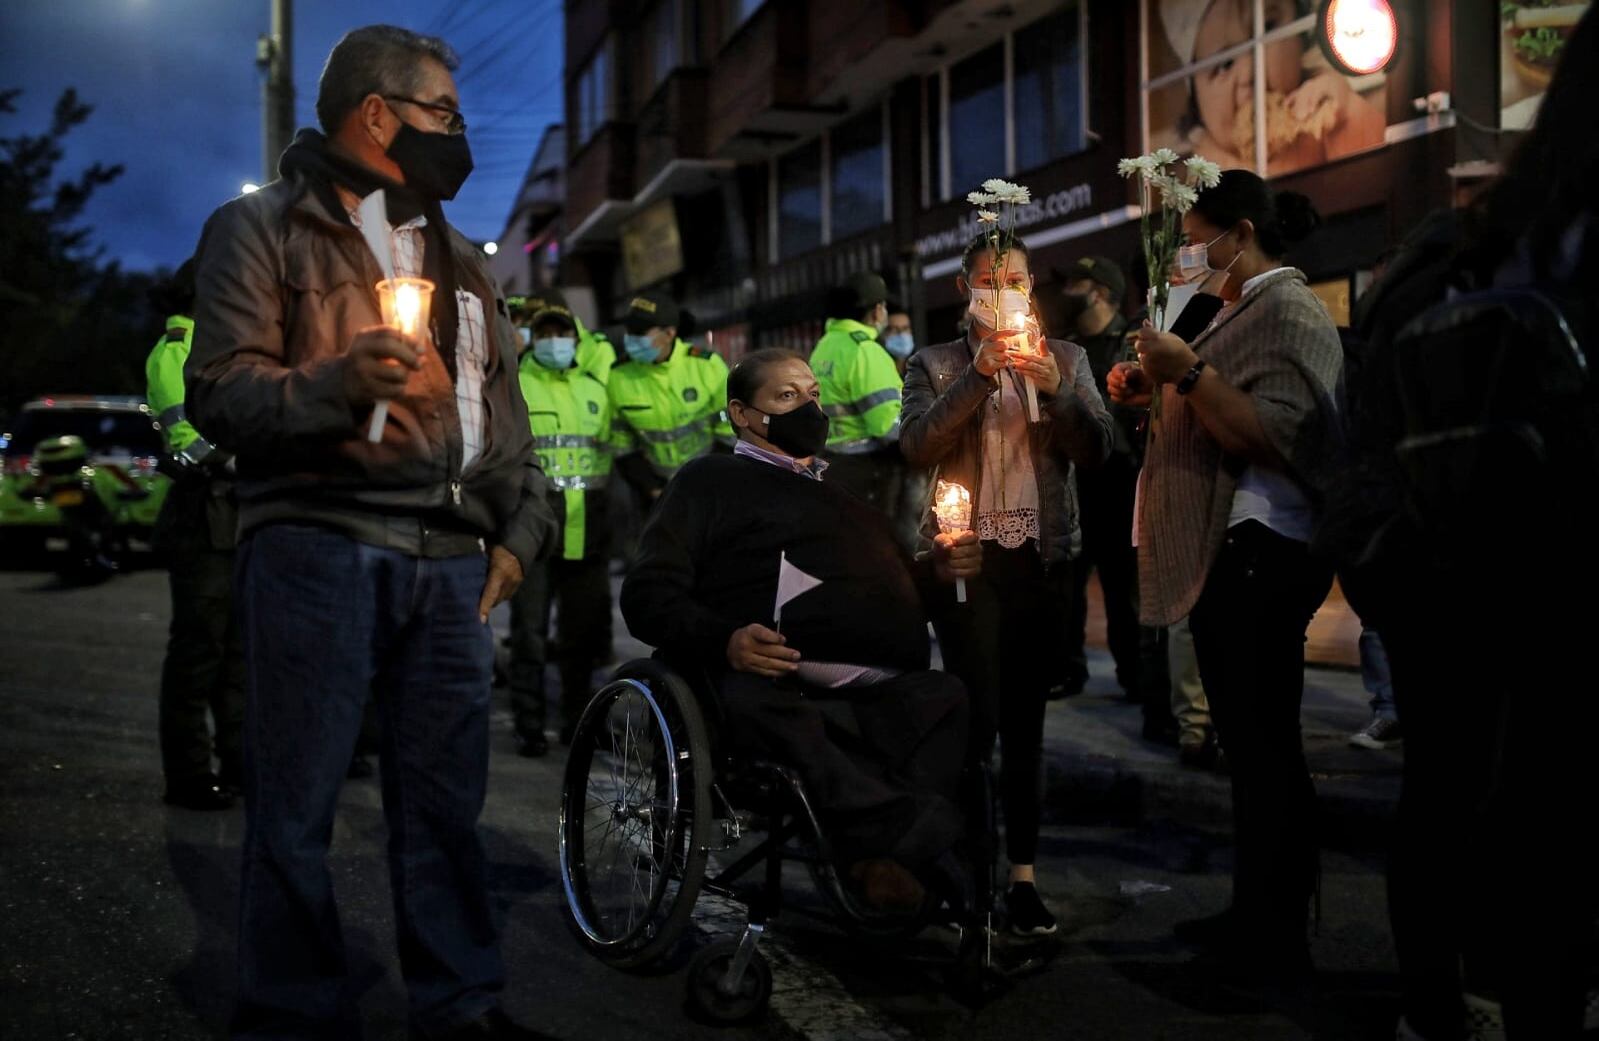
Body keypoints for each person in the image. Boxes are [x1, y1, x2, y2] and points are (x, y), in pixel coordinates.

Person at [185, 25, 558, 1041]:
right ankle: (293, 1009)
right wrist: (335, 384)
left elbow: (507, 423)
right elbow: (218, 393)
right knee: (297, 804)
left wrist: (519, 535)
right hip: (318, 543)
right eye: (446, 113)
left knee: (443, 809)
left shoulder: (466, 265)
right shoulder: (262, 229)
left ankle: (460, 1003)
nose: (460, 134)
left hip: (450, 563)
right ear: (379, 113)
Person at [1325, 9, 1599, 1036]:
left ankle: (1442, 1005)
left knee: (1457, 800)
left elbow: (1365, 444)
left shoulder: (1455, 257)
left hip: (1451, 594)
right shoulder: (1523, 256)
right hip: (1514, 602)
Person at [620, 349, 980, 909]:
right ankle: (900, 844)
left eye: (812, 394)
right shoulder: (709, 481)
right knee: (770, 708)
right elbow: (647, 595)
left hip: (866, 684)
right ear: (741, 413)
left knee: (944, 697)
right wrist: (726, 639)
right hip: (763, 679)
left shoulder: (841, 497)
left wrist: (934, 575)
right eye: (787, 397)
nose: (809, 407)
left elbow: (891, 593)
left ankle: (882, 852)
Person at [1109, 169, 1342, 982]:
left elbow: (1281, 437)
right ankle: (1254, 916)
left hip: (1264, 550)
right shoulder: (1236, 308)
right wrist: (1154, 389)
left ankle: (1275, 943)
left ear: (1239, 233)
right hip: (1228, 550)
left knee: (1266, 747)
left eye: (1192, 236)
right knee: (1249, 750)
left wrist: (1187, 375)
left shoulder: (1287, 308)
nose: (1183, 254)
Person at [902, 232, 1114, 937]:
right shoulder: (933, 362)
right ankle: (965, 864)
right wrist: (978, 376)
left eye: (1016, 278)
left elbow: (1101, 450)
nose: (1004, 289)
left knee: (1026, 721)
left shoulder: (1070, 358)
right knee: (976, 715)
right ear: (965, 287)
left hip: (1041, 559)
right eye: (990, 278)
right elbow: (917, 446)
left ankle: (1021, 876)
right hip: (965, 561)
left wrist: (1056, 391)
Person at [145, 260, 244, 812]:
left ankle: (238, 764)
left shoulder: (216, 352)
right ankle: (187, 776)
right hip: (202, 519)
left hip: (233, 519)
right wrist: (248, 460)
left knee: (237, 654)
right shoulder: (174, 354)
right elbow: (188, 444)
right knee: (197, 654)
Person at [507, 300, 614, 756]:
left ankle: (578, 722)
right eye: (545, 334)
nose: (555, 342)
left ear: (576, 340)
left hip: (588, 532)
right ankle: (529, 725)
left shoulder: (596, 389)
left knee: (581, 638)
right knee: (529, 633)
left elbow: (610, 454)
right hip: (535, 528)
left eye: (562, 334)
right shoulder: (516, 384)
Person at [1156, 0, 1386, 177]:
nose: (1250, 74)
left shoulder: (1329, 115)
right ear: (1198, 104)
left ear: (1301, 37)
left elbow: (1377, 178)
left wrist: (1346, 117)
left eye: (1267, 28)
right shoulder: (1203, 176)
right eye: (1224, 64)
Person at [1054, 256, 1142, 705]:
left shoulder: (1133, 341)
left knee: (1123, 586)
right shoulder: (1064, 348)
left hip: (1120, 486)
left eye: (1076, 282)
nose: (1066, 291)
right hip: (1073, 486)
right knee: (1067, 585)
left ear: (1102, 291)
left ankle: (1136, 674)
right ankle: (1068, 669)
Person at [607, 290, 731, 513]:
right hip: (658, 496)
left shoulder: (707, 367)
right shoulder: (619, 376)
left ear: (669, 333)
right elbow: (621, 444)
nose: (631, 338)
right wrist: (652, 488)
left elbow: (730, 432)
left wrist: (709, 479)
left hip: (714, 487)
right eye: (629, 331)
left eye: (640, 332)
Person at [812, 271, 905, 511]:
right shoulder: (864, 350)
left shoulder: (823, 347)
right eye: (883, 306)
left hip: (833, 462)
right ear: (876, 311)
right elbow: (888, 427)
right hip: (868, 470)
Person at [508, 287, 614, 383]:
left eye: (538, 316)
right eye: (528, 319)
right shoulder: (530, 354)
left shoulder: (598, 349)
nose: (527, 325)